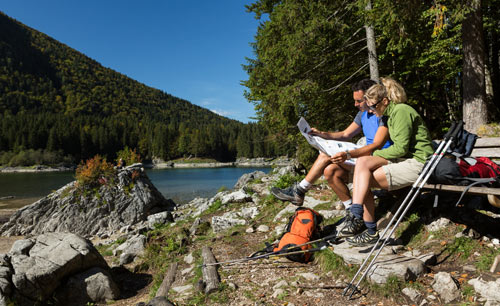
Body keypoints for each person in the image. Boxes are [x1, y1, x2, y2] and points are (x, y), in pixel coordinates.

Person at [271, 79, 392, 214]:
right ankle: (351, 210)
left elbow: (377, 144)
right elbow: (346, 134)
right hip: (365, 155)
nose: (355, 104)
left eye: (359, 101)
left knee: (325, 154)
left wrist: (349, 154)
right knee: (330, 171)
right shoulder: (362, 114)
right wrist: (321, 134)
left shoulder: (382, 113)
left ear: (370, 97)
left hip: (377, 158)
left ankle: (300, 190)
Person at [343, 77, 434, 247]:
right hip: (406, 159)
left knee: (364, 179)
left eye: (372, 106)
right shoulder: (388, 114)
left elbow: (401, 148)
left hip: (420, 163)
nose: (370, 110)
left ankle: (368, 228)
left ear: (384, 101)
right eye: (368, 106)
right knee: (363, 166)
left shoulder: (400, 111)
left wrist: (375, 153)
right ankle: (357, 214)